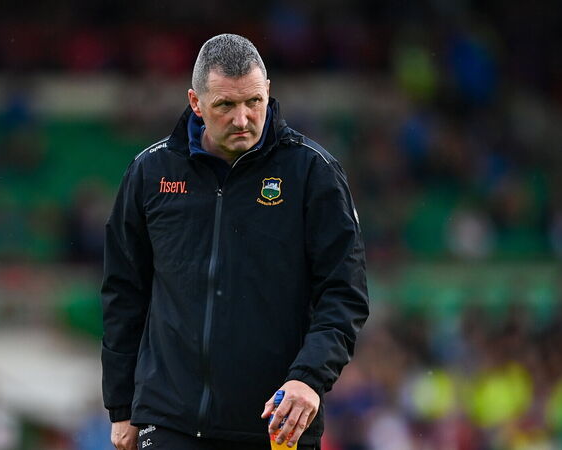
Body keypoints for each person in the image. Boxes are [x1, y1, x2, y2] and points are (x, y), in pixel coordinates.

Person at [101, 33, 369, 450]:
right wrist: (121, 405)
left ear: (268, 92)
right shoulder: (150, 173)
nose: (243, 119)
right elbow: (124, 293)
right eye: (225, 105)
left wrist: (309, 378)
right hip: (170, 420)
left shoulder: (313, 173)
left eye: (254, 102)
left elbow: (344, 293)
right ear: (196, 102)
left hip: (277, 421)